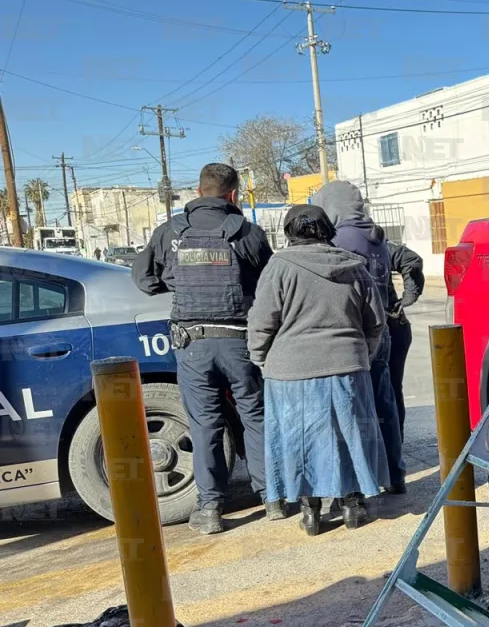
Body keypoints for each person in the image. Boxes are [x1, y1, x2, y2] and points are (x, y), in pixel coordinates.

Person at [132, 163, 278, 534]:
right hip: (239, 342)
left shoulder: (170, 232)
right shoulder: (248, 232)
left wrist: (178, 284)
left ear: (198, 192)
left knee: (205, 425)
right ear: (232, 195)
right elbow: (269, 281)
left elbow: (144, 279)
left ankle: (211, 509)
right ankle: (273, 498)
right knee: (255, 416)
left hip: (192, 344)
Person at [248, 205, 389, 534]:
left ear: (289, 233)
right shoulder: (355, 268)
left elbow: (262, 322)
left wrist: (260, 358)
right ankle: (352, 505)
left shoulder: (279, 267)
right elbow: (375, 322)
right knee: (348, 436)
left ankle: (310, 511)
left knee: (301, 441)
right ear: (329, 231)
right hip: (348, 366)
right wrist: (360, 355)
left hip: (291, 372)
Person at [311, 181, 406, 494]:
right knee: (385, 403)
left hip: (352, 335)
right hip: (380, 332)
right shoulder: (374, 235)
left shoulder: (339, 239)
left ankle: (358, 483)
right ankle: (395, 474)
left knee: (352, 411)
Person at [377, 227, 424, 432]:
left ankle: (394, 446)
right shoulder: (371, 245)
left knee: (389, 390)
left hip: (390, 328)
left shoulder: (376, 246)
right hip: (386, 328)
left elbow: (411, 259)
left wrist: (408, 297)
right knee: (389, 390)